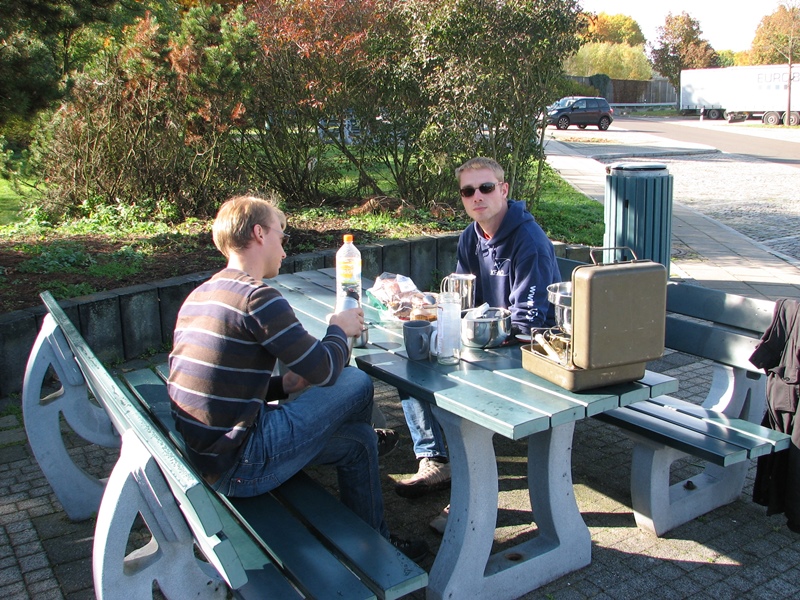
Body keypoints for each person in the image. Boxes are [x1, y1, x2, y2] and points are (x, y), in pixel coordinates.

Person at [167, 195, 427, 560]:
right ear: (259, 233)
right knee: (355, 382)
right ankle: (364, 433)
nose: (285, 249)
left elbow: (222, 382)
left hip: (209, 457)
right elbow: (324, 370)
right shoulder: (256, 297)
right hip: (243, 462)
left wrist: (282, 385)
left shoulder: (202, 294)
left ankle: (373, 544)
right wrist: (338, 327)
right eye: (282, 235)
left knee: (358, 442)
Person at [397, 158, 561, 532]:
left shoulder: (529, 242)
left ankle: (473, 502)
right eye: (468, 191)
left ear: (503, 189)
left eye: (486, 187)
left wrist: (469, 340)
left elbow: (529, 323)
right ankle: (435, 459)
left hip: (528, 350)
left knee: (461, 396)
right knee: (412, 361)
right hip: (485, 341)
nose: (477, 197)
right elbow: (462, 299)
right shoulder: (472, 236)